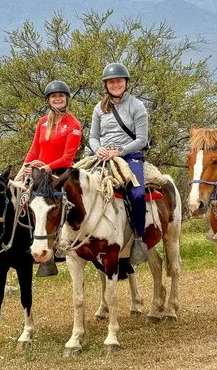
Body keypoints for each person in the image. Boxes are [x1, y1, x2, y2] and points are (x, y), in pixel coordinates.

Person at [89, 62, 150, 266]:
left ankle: (139, 238)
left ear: (126, 83)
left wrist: (120, 151)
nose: (115, 85)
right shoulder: (99, 108)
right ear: (106, 85)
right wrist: (98, 149)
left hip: (129, 156)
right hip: (103, 156)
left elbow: (142, 139)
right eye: (111, 82)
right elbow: (93, 137)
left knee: (137, 194)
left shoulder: (137, 106)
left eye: (119, 81)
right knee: (77, 186)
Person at [22, 80, 82, 276]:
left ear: (66, 99)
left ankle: (62, 245)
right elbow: (35, 149)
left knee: (58, 208)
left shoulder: (73, 125)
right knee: (23, 202)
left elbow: (68, 158)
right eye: (54, 96)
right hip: (40, 173)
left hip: (60, 174)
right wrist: (26, 166)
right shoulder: (42, 122)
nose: (57, 99)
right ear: (48, 100)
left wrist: (46, 167)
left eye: (61, 96)